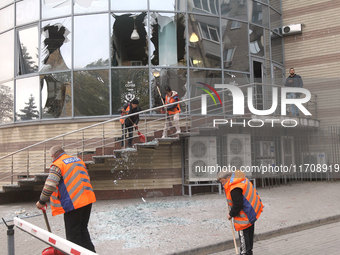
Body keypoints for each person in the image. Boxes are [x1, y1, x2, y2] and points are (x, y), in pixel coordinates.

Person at [36, 146, 96, 252]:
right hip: (87, 199)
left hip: (74, 202)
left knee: (73, 235)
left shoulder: (58, 164)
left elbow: (50, 184)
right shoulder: (78, 160)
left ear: (53, 155)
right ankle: (91, 253)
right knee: (82, 230)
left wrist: (41, 201)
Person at [218, 170, 264, 255]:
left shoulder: (234, 187)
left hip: (243, 217)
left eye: (223, 181)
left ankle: (245, 253)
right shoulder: (240, 180)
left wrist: (230, 214)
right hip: (251, 213)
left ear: (228, 178)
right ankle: (249, 252)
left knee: (244, 240)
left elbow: (237, 205)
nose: (222, 184)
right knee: (249, 237)